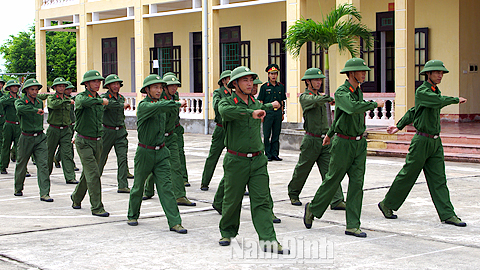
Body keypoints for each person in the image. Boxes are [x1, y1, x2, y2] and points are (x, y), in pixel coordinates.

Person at [378, 60, 468, 227]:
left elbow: (414, 111)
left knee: (439, 179)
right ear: (428, 74)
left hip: (435, 141)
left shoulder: (434, 91)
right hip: (421, 141)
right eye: (437, 72)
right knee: (408, 175)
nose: (440, 75)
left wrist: (398, 126)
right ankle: (387, 204)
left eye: (442, 73)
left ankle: (448, 214)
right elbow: (438, 101)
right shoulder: (423, 92)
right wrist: (455, 99)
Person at [303, 58, 384, 238]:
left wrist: (329, 134)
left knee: (357, 184)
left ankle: (353, 225)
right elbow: (350, 108)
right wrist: (373, 104)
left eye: (364, 71)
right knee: (333, 180)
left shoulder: (358, 91)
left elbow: (339, 116)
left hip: (358, 143)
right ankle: (313, 208)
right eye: (360, 71)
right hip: (344, 144)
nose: (364, 73)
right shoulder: (342, 92)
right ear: (351, 73)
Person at [217, 66, 287, 254]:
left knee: (262, 201)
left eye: (251, 80)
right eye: (245, 80)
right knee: (232, 200)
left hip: (257, 160)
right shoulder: (226, 102)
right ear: (235, 84)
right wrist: (250, 113)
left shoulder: (255, 103)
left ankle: (269, 240)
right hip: (236, 160)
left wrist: (270, 106)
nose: (250, 84)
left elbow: (260, 108)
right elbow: (226, 113)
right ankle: (227, 231)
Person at [127, 74, 188, 233]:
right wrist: (176, 103)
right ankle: (133, 214)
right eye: (155, 87)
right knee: (138, 186)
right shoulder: (144, 106)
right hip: (145, 152)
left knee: (166, 187)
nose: (159, 90)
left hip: (161, 152)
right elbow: (159, 107)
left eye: (161, 87)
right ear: (147, 90)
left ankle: (175, 222)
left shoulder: (162, 104)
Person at [287, 68, 345, 209]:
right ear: (308, 82)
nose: (319, 82)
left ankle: (336, 200)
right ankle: (293, 193)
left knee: (331, 171)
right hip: (311, 140)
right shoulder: (305, 97)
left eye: (320, 80)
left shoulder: (320, 97)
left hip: (324, 140)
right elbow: (314, 101)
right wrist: (328, 98)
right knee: (303, 168)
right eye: (316, 80)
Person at [142, 74, 196, 206]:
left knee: (175, 165)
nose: (174, 88)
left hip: (171, 135)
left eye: (176, 85)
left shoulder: (175, 97)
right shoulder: (160, 99)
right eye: (171, 86)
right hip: (159, 136)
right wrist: (176, 104)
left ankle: (180, 195)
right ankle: (148, 190)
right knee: (154, 166)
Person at [70, 70, 110, 217]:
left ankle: (76, 197)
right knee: (93, 174)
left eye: (99, 81)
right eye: (94, 81)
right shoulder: (81, 97)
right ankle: (97, 207)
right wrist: (101, 101)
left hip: (97, 141)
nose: (97, 84)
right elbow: (81, 102)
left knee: (90, 173)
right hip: (84, 142)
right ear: (86, 84)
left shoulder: (99, 98)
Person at [13, 78, 53, 202]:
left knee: (43, 165)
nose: (35, 92)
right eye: (32, 89)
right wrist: (35, 110)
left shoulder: (39, 102)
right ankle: (18, 188)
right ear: (26, 90)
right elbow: (20, 110)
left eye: (36, 89)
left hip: (40, 137)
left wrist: (37, 108)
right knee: (21, 164)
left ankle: (44, 193)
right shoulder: (20, 102)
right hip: (26, 137)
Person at [98, 74, 132, 193]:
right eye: (113, 84)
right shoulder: (104, 97)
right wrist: (120, 105)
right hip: (107, 131)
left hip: (120, 131)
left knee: (122, 158)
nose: (116, 86)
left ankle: (123, 185)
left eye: (117, 84)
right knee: (101, 157)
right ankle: (94, 181)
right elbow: (107, 104)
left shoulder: (121, 98)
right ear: (108, 86)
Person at [200, 70, 231, 191]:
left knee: (236, 158)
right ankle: (205, 182)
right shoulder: (218, 93)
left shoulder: (236, 93)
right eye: (228, 78)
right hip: (221, 128)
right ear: (223, 81)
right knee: (213, 156)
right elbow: (217, 106)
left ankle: (238, 185)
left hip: (232, 129)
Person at [46, 77, 78, 185]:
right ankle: (46, 174)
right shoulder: (52, 98)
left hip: (66, 129)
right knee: (49, 153)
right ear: (54, 87)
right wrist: (67, 101)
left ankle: (70, 177)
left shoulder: (68, 98)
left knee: (67, 153)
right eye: (59, 86)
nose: (62, 88)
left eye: (63, 86)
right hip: (53, 129)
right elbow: (53, 105)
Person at [257, 64, 286, 161]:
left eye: (275, 74)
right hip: (267, 113)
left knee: (276, 134)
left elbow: (282, 101)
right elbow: (261, 101)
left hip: (277, 114)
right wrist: (261, 114)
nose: (273, 76)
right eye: (271, 74)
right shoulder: (264, 87)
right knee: (266, 134)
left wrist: (282, 113)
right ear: (268, 75)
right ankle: (268, 154)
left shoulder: (280, 87)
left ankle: (275, 154)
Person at [53, 81, 79, 171]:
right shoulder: (61, 100)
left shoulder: (71, 98)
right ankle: (70, 163)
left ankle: (57, 158)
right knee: (67, 146)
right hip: (63, 125)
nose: (69, 91)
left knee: (67, 145)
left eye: (70, 89)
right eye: (67, 89)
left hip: (71, 124)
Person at [0, 80, 22, 174]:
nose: (15, 88)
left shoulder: (20, 98)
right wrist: (14, 100)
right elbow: (2, 102)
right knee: (6, 146)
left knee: (19, 147)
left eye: (16, 86)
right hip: (8, 124)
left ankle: (22, 169)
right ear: (8, 88)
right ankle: (3, 166)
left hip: (18, 125)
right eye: (13, 86)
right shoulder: (5, 98)